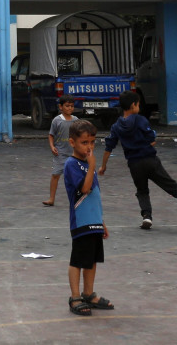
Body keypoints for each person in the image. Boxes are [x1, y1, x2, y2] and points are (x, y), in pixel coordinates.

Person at [100, 91, 177, 231]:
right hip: (150, 160)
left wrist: (103, 166)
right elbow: (151, 140)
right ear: (133, 105)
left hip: (134, 164)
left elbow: (108, 147)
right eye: (138, 104)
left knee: (142, 191)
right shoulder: (140, 120)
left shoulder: (116, 126)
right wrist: (148, 142)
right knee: (174, 188)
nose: (139, 107)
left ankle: (147, 216)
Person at [64, 120, 112, 315]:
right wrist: (92, 166)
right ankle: (75, 297)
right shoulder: (72, 164)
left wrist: (101, 221)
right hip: (81, 221)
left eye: (92, 142)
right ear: (72, 143)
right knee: (78, 260)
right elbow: (84, 189)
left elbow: (94, 197)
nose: (89, 147)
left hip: (94, 222)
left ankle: (88, 293)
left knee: (91, 260)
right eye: (84, 143)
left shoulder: (87, 164)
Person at [42, 96, 78, 207]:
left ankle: (76, 199)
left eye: (72, 106)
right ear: (60, 107)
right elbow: (51, 135)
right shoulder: (57, 120)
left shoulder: (76, 120)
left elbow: (79, 136)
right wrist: (52, 146)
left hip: (73, 154)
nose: (70, 108)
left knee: (75, 177)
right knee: (56, 175)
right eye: (67, 106)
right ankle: (51, 198)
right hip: (60, 153)